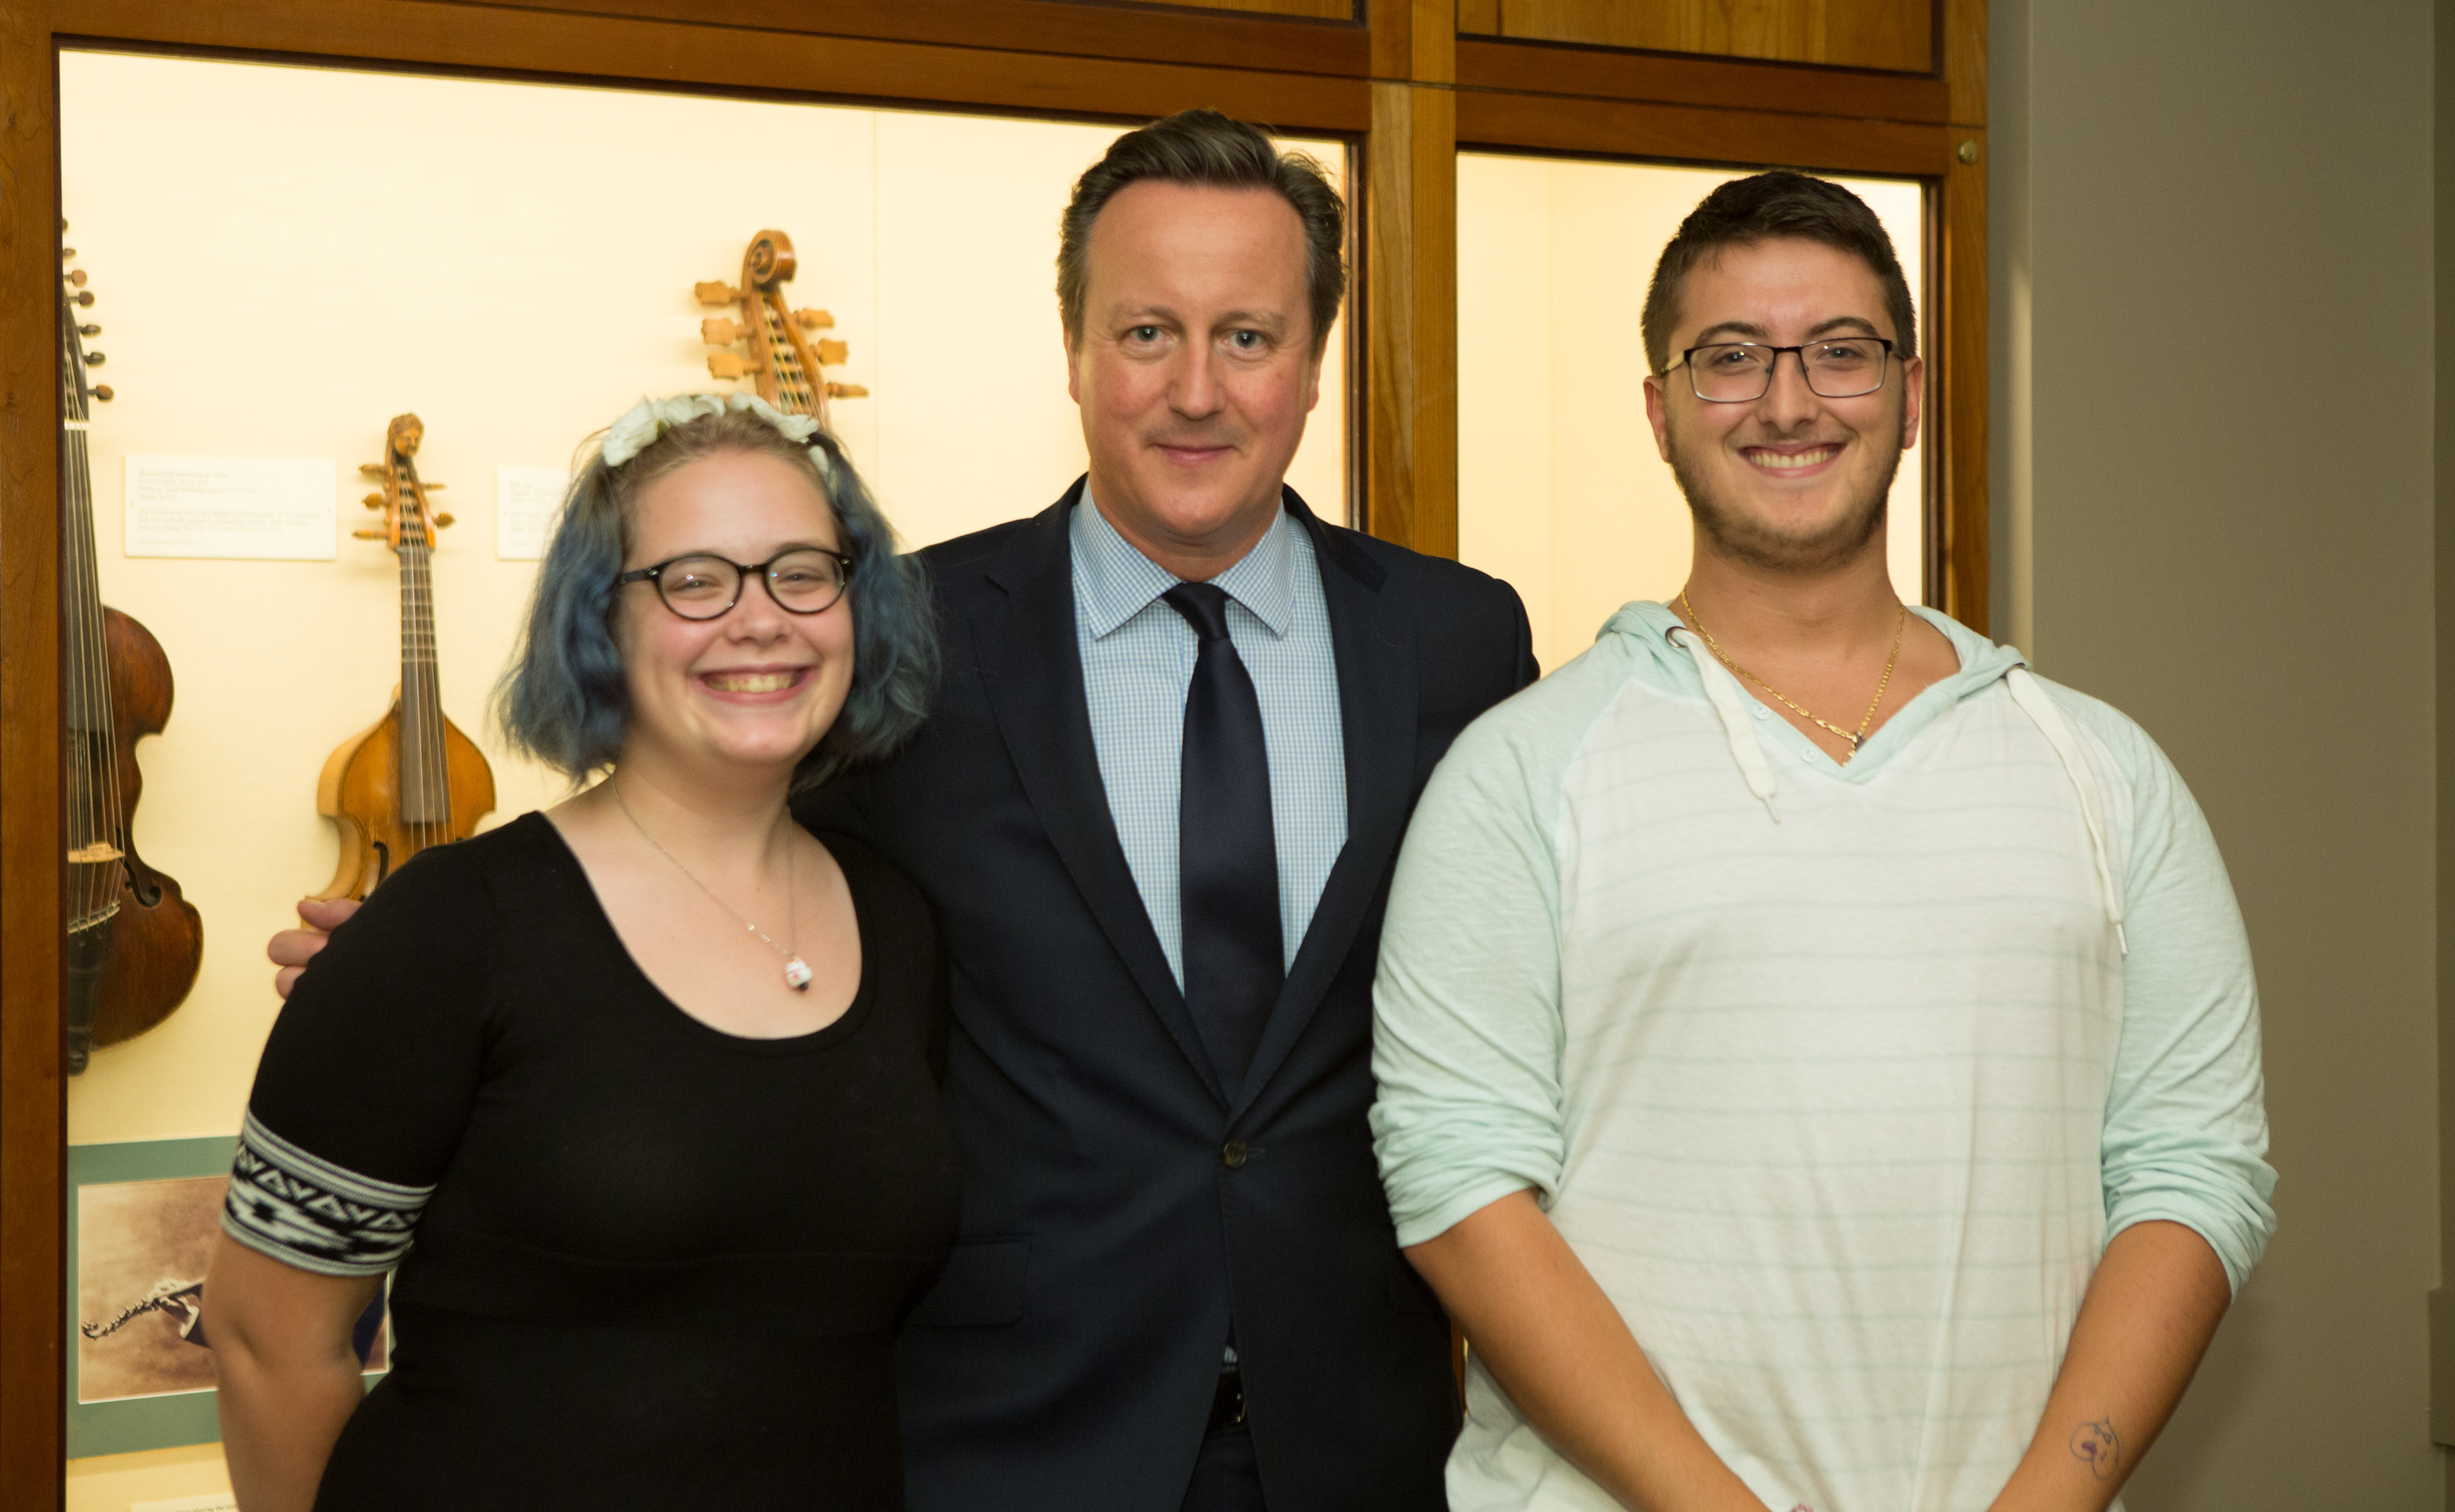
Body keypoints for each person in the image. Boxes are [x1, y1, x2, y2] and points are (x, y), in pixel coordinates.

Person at [275, 110, 1538, 1510]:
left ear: (1312, 360)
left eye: (1246, 335)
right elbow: (693, 835)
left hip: (1364, 1444)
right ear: (1072, 353)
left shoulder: (1456, 645)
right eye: (1143, 333)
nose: (1196, 389)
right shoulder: (904, 640)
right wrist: (427, 964)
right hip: (1007, 1449)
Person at [1369, 172, 2276, 1512]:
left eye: (1840, 354)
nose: (1787, 403)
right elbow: (1458, 1185)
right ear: (1659, 409)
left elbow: (2194, 1172)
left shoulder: (2103, 773)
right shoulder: (1520, 773)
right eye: (1729, 359)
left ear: (1911, 396)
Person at [214, 393, 954, 1511]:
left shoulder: (900, 924)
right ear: (598, 622)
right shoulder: (449, 926)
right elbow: (267, 1342)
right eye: (695, 580)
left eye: (803, 570)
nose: (760, 620)